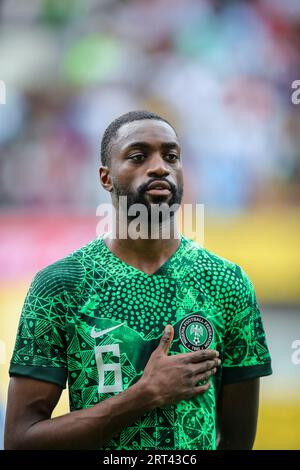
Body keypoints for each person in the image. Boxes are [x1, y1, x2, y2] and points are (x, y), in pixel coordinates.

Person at [5, 110, 272, 450]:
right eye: (138, 156)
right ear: (106, 177)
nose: (160, 166)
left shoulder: (226, 282)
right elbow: (19, 439)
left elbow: (235, 440)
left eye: (171, 156)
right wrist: (144, 395)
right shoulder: (61, 285)